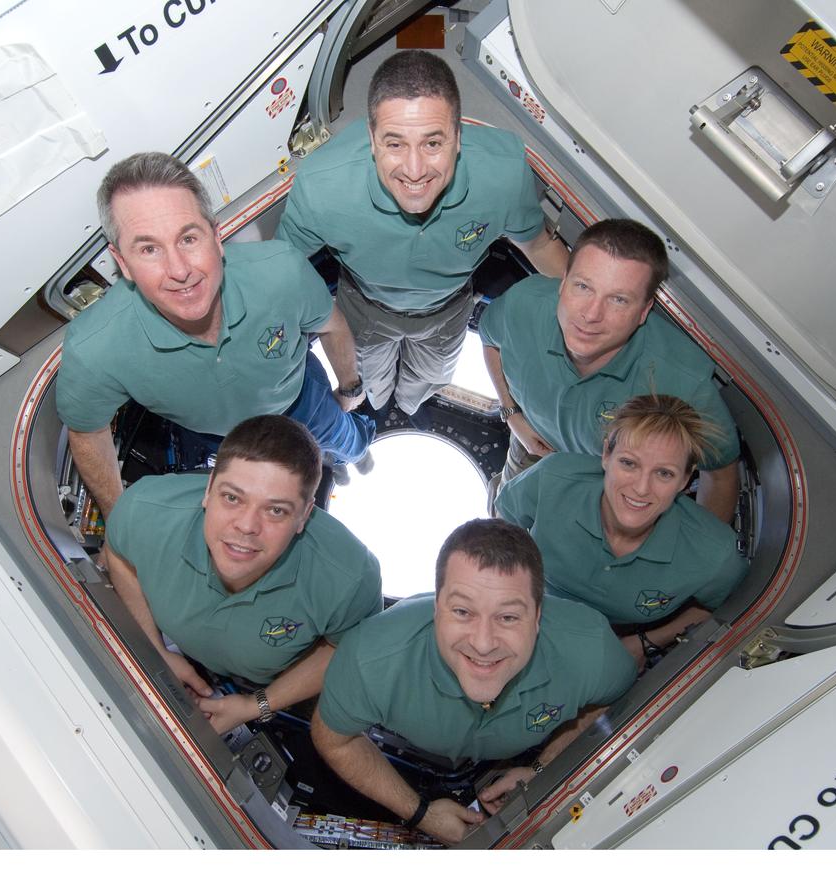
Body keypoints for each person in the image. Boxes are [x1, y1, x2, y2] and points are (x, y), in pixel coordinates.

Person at [57, 152, 373, 519]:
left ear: (216, 236)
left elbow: (331, 324)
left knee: (346, 438)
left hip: (301, 399)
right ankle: (333, 461)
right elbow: (86, 430)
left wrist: (350, 388)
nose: (179, 271)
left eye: (188, 238)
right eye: (149, 249)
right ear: (123, 263)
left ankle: (357, 454)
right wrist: (121, 522)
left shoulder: (280, 272)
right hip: (226, 438)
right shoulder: (95, 348)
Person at [276, 49, 569, 419]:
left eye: (433, 143)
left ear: (459, 138)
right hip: (365, 308)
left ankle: (412, 404)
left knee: (428, 380)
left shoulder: (503, 175)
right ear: (371, 138)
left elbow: (540, 244)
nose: (414, 171)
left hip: (446, 311)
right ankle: (381, 404)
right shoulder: (322, 186)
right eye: (395, 143)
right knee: (371, 384)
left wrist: (594, 309)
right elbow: (279, 273)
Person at [312, 519, 635, 845]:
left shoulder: (589, 646)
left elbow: (618, 699)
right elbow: (333, 738)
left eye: (507, 617)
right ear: (437, 608)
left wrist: (543, 769)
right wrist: (419, 812)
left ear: (538, 617)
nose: (483, 644)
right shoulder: (370, 658)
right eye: (463, 612)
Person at [104, 415, 382, 734]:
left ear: (305, 515)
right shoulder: (145, 509)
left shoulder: (350, 578)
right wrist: (155, 651)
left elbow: (344, 651)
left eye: (276, 510)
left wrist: (258, 705)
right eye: (232, 497)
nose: (247, 525)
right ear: (208, 489)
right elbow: (118, 553)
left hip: (274, 683)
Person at [480, 218, 740, 522]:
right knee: (504, 515)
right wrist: (512, 415)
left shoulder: (680, 382)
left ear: (643, 312)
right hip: (531, 446)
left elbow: (721, 474)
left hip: (603, 490)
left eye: (618, 299)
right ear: (562, 284)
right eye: (583, 286)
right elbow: (489, 340)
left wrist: (693, 564)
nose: (591, 314)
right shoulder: (525, 305)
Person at [496, 395, 748, 668]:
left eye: (664, 473)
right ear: (606, 455)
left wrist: (645, 641)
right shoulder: (551, 480)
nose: (641, 488)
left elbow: (725, 607)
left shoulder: (713, 553)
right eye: (629, 463)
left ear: (685, 480)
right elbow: (499, 535)